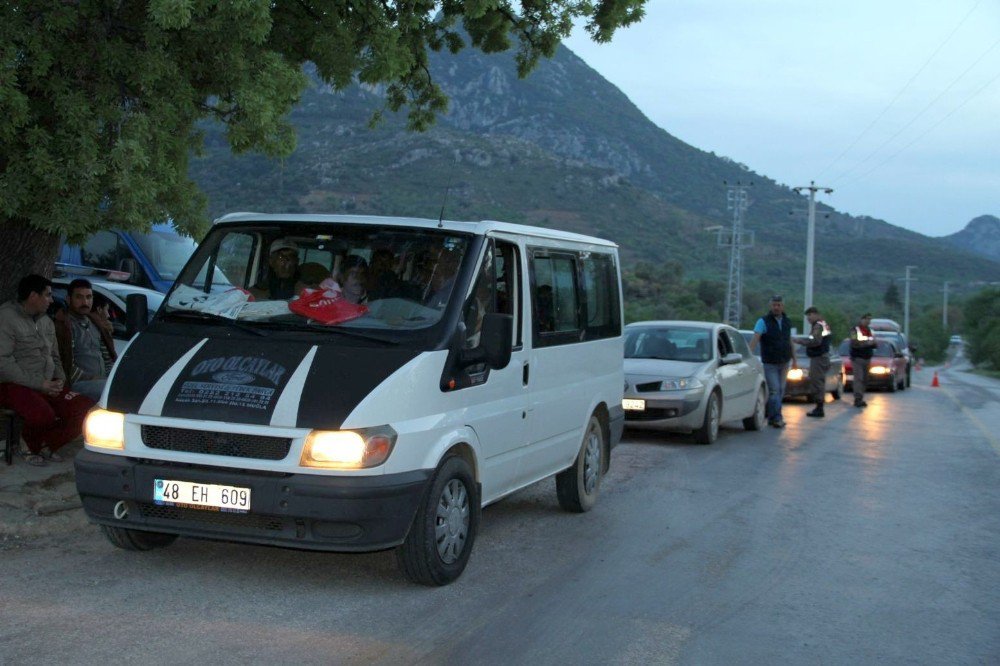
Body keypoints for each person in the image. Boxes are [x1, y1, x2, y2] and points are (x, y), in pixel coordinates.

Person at [0, 275, 94, 465]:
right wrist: (39, 384)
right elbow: (3, 363)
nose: (52, 300)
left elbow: (55, 356)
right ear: (33, 296)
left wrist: (59, 379)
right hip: (14, 384)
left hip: (46, 383)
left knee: (86, 410)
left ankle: (45, 445)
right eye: (48, 295)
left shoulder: (46, 322)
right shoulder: (7, 317)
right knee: (43, 415)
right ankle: (29, 447)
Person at [53, 279, 118, 401]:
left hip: (101, 381)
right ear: (68, 299)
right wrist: (92, 378)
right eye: (79, 297)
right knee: (111, 391)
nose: (85, 302)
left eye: (89, 297)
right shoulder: (64, 326)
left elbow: (107, 358)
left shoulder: (96, 323)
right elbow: (65, 365)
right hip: (78, 384)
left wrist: (111, 377)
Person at [749, 295, 796, 428]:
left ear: (783, 306)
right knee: (774, 390)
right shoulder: (763, 321)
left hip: (784, 362)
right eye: (774, 305)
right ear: (771, 306)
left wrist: (795, 359)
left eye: (779, 305)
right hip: (770, 363)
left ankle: (772, 416)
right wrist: (749, 355)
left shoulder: (787, 321)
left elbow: (789, 341)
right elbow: (755, 338)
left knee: (780, 390)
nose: (776, 307)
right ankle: (776, 417)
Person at [793, 306, 833, 418]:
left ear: (816, 314)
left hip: (819, 357)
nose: (808, 318)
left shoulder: (818, 326)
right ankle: (819, 406)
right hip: (821, 356)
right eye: (807, 316)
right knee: (818, 381)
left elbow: (815, 341)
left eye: (810, 315)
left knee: (817, 381)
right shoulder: (822, 325)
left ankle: (819, 408)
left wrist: (799, 341)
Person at [849, 312, 878, 408]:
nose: (868, 321)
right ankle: (857, 398)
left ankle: (861, 397)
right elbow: (854, 343)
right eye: (866, 319)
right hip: (858, 358)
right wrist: (867, 343)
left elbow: (875, 343)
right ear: (862, 319)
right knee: (859, 378)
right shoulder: (855, 330)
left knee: (865, 379)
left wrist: (873, 343)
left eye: (869, 319)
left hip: (867, 358)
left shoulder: (870, 331)